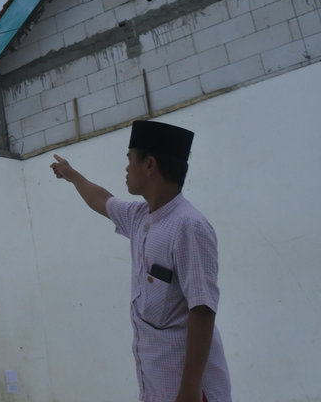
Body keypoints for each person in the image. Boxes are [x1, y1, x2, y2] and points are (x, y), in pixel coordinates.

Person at [50, 119, 231, 402]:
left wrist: (190, 389)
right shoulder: (139, 218)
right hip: (156, 386)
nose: (126, 168)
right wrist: (73, 176)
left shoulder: (188, 226)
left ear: (149, 165)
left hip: (191, 392)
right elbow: (102, 200)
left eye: (130, 159)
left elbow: (203, 309)